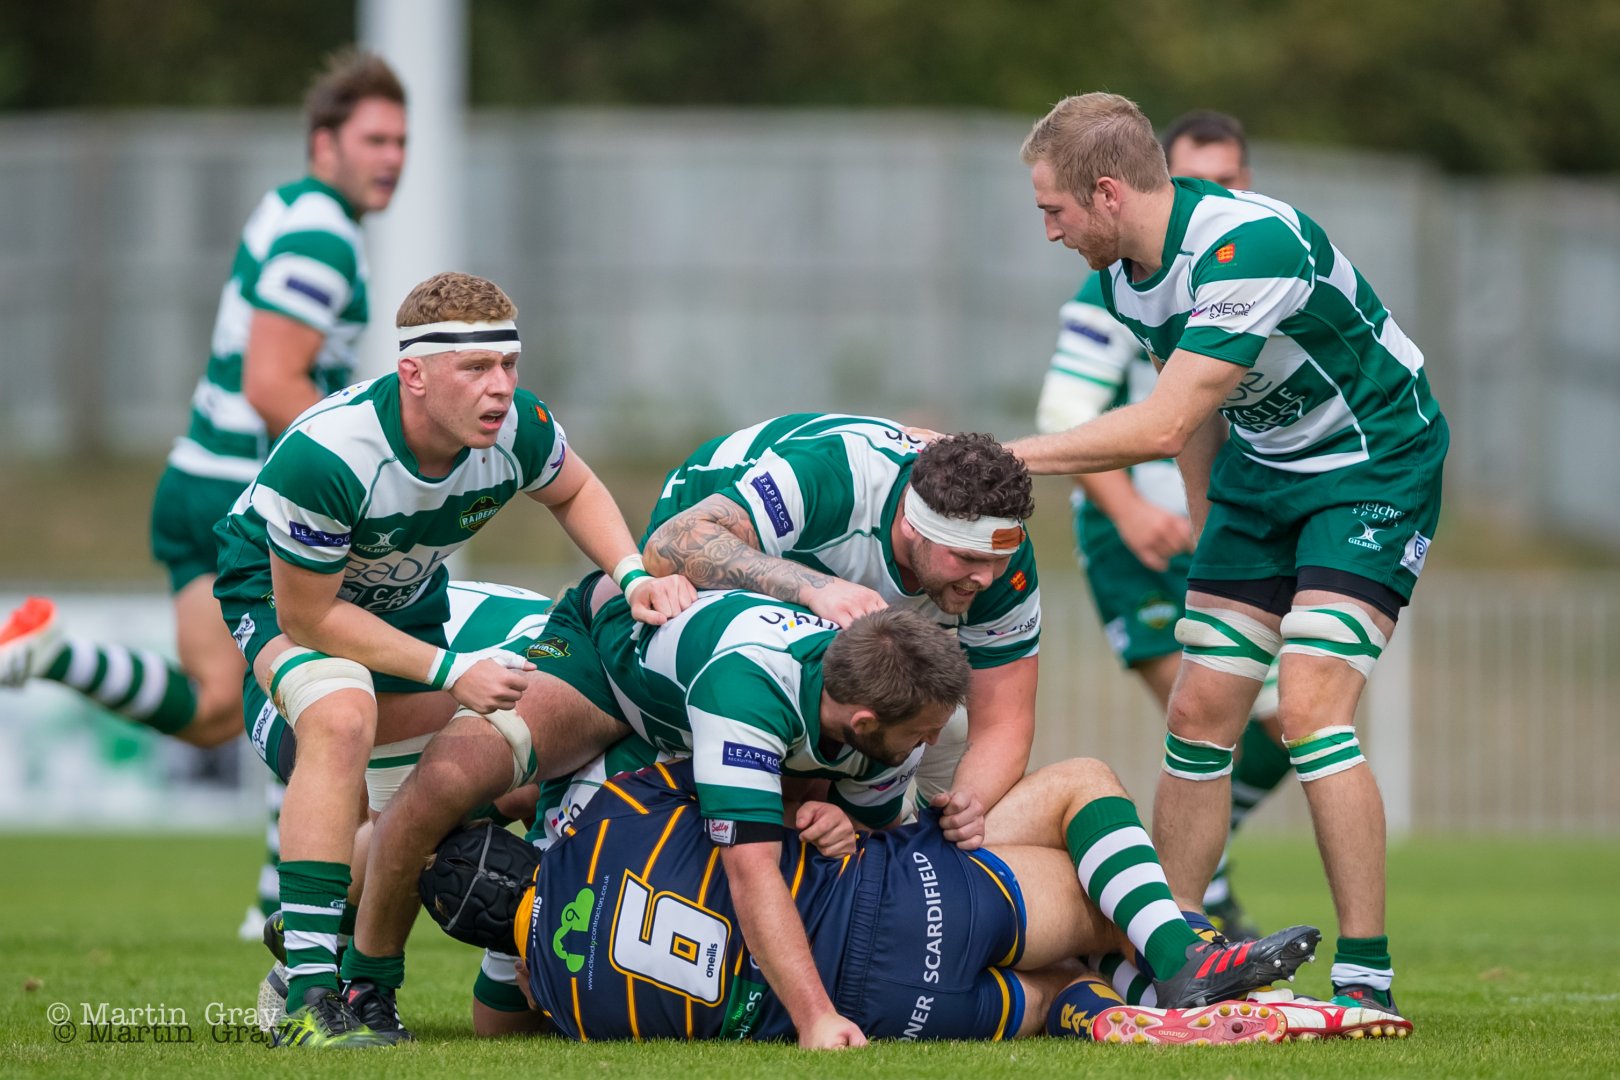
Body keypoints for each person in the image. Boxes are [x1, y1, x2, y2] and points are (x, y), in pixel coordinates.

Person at [1013, 92, 1449, 1022]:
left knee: (1307, 709)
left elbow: (1163, 415)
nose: (1048, 231)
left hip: (1372, 463)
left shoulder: (1247, 247)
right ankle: (1176, 960)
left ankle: (1365, 975)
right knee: (1202, 709)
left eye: (1053, 210)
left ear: (1105, 193)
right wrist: (1216, 519)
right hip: (1262, 474)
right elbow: (1200, 414)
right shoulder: (1126, 276)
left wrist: (999, 458)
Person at [212, 269, 692, 1048]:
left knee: (450, 795)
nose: (499, 387)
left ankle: (339, 956)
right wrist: (448, 671)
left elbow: (573, 491)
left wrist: (631, 573)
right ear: (414, 373)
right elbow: (309, 614)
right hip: (279, 605)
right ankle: (306, 998)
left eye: (508, 364)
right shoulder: (330, 455)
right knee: (341, 713)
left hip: (404, 611)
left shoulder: (516, 427)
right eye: (475, 369)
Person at [0, 48, 410, 931]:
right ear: (323, 142)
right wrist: (359, 475)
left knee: (221, 706)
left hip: (193, 478)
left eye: (402, 142)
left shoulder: (291, 210)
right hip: (242, 498)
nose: (392, 158)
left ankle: (57, 653)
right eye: (374, 138)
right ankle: (280, 908)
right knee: (319, 681)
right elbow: (273, 381)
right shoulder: (322, 233)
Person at [421, 758, 1380, 1045]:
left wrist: (509, 947)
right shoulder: (614, 810)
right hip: (901, 906)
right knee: (1082, 800)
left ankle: (1103, 1011)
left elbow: (493, 1015)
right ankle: (1178, 959)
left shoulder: (547, 996)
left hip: (894, 1011)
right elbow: (748, 776)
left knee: (1048, 990)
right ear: (516, 841)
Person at [1033, 110, 1292, 939]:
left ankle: (1180, 883)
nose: (1221, 190)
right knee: (1205, 721)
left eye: (1234, 176)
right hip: (1136, 537)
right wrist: (1133, 508)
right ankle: (1183, 909)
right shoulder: (1109, 274)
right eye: (1202, 174)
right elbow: (1066, 407)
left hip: (1219, 520)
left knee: (1286, 723)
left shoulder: (1247, 260)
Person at [641, 418, 1041, 832]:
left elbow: (1004, 721)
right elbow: (668, 545)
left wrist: (968, 805)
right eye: (968, 558)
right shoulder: (834, 476)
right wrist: (817, 588)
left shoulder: (999, 550)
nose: (987, 578)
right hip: (694, 568)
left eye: (997, 561)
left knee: (943, 724)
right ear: (912, 525)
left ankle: (908, 849)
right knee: (788, 738)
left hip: (810, 631)